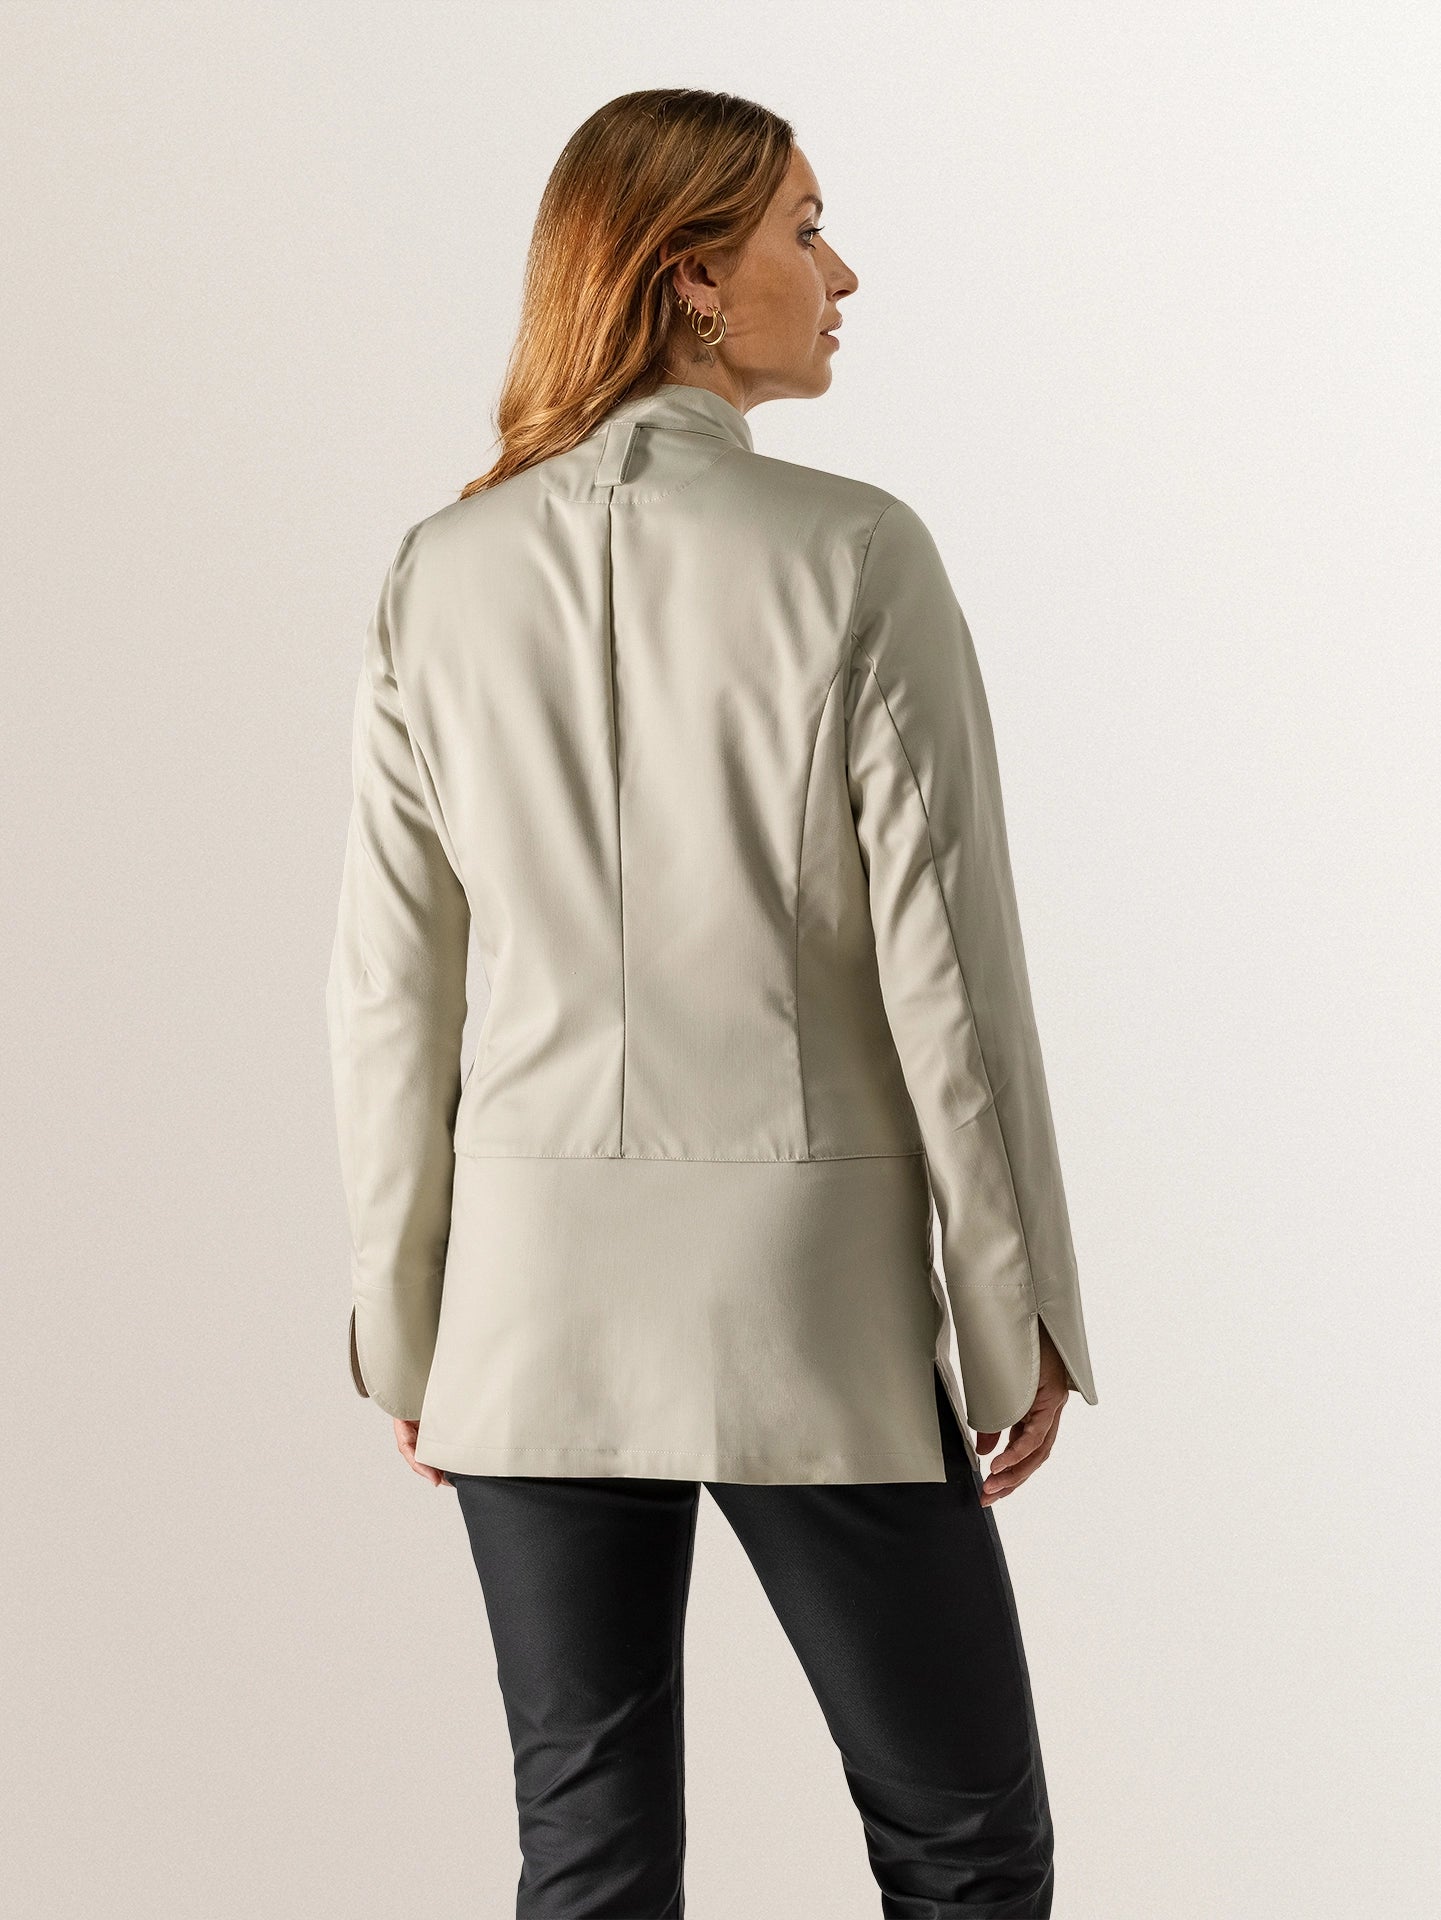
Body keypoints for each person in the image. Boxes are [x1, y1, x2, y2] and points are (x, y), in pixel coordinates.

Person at [325, 86, 1099, 1920]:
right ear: (688, 277)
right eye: (804, 229)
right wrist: (1015, 1310)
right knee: (964, 1847)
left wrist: (408, 1319)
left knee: (585, 1856)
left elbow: (389, 993)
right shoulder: (853, 552)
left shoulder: (441, 573)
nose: (841, 273)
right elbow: (950, 974)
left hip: (528, 1306)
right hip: (798, 1301)